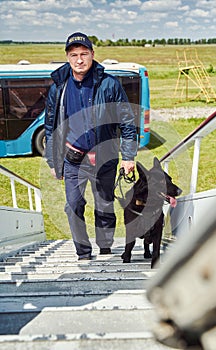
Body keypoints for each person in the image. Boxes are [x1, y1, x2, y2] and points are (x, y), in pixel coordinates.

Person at [45, 32, 137, 260]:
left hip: (104, 158)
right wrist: (52, 161)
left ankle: (105, 246)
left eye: (84, 54)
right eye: (74, 55)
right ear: (67, 57)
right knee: (73, 206)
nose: (79, 60)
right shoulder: (59, 87)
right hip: (73, 159)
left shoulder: (109, 84)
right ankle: (83, 252)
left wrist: (128, 156)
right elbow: (50, 126)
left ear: (92, 55)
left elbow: (127, 121)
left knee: (104, 205)